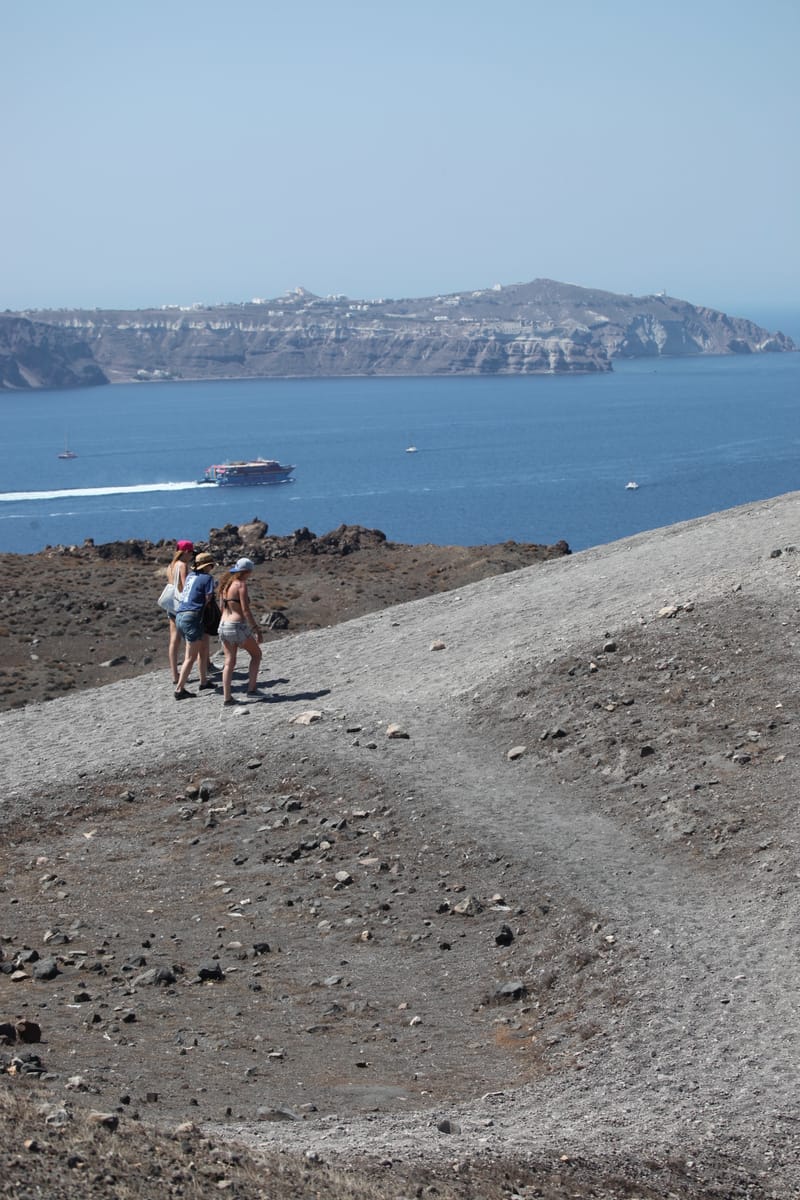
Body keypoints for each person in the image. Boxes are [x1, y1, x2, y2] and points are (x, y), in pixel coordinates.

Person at [217, 557, 263, 705]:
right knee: (256, 655)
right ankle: (252, 690)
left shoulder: (225, 585)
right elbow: (245, 610)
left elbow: (221, 608)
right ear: (247, 571)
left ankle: (227, 698)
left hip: (223, 625)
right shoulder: (240, 585)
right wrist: (256, 629)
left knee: (229, 661)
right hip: (237, 626)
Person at [174, 551, 217, 699]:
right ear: (208, 565)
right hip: (193, 617)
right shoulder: (207, 578)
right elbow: (209, 598)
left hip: (180, 615)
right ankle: (179, 689)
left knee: (203, 648)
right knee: (190, 657)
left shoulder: (191, 576)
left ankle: (204, 680)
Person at [165, 540, 194, 686]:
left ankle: (174, 674)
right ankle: (187, 672)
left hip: (171, 606)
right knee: (191, 639)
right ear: (187, 552)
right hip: (181, 606)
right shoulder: (182, 565)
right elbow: (184, 586)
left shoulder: (170, 565)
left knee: (173, 640)